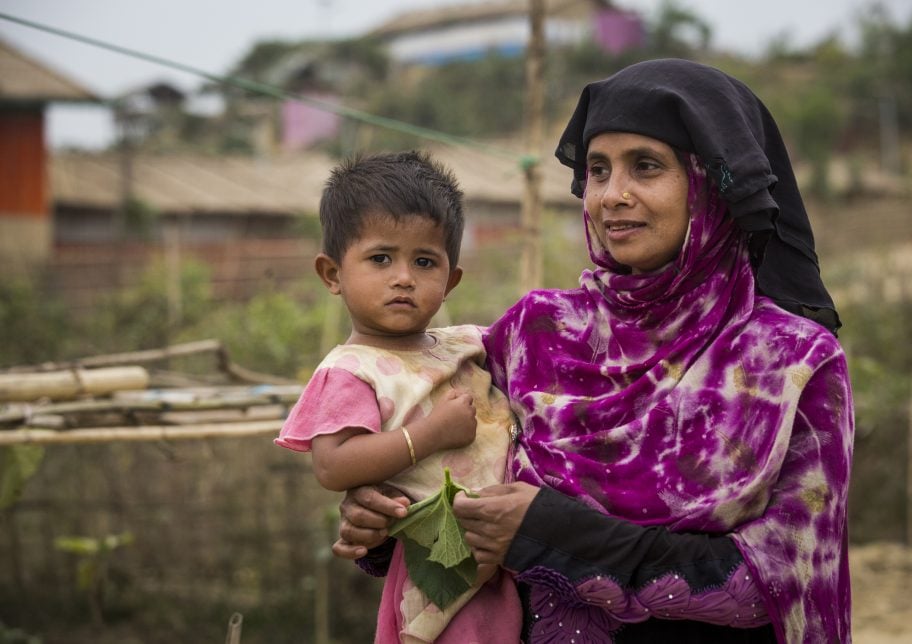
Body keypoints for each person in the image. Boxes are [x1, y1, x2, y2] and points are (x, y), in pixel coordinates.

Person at [335, 59, 854, 644]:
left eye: (647, 167)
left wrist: (551, 531)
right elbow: (457, 479)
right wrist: (384, 521)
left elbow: (779, 579)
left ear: (711, 183)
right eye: (598, 170)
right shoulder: (536, 332)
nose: (612, 195)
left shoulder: (790, 362)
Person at [275, 151, 522, 643]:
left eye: (424, 261)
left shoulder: (464, 344)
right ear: (332, 274)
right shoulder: (352, 371)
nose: (404, 277)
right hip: (443, 562)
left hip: (510, 548)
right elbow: (333, 465)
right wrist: (429, 435)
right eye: (381, 258)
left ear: (450, 281)